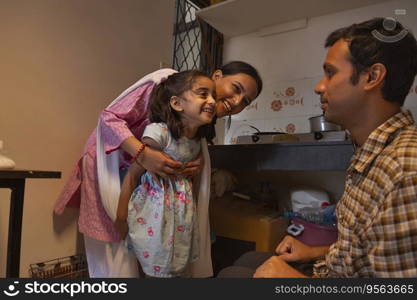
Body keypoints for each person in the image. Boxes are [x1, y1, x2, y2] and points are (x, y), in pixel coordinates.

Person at [226, 17, 417, 278]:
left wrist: (294, 281)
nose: (319, 87)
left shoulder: (406, 171)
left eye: (330, 73)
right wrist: (316, 252)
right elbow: (362, 249)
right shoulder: (371, 149)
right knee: (248, 260)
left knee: (232, 275)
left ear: (372, 77)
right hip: (331, 271)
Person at [54, 61, 262, 277]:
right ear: (217, 76)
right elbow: (108, 119)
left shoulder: (201, 118)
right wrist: (143, 154)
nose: (237, 101)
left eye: (245, 101)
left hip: (149, 186)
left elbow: (192, 144)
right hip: (113, 166)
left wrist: (198, 160)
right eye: (236, 88)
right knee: (116, 255)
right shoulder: (166, 83)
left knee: (148, 254)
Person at [115, 70, 216, 277]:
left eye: (213, 95)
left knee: (176, 267)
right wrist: (121, 217)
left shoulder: (197, 142)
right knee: (152, 268)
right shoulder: (158, 133)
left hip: (180, 217)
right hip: (153, 216)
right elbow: (133, 175)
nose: (213, 101)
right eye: (203, 94)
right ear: (177, 104)